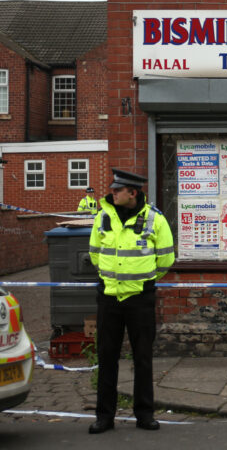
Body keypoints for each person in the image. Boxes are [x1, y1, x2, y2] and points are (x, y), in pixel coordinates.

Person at [87, 168, 175, 434]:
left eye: (118, 190)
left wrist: (143, 281)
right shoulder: (103, 217)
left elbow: (166, 259)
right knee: (107, 357)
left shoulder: (154, 219)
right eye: (113, 189)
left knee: (143, 358)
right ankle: (104, 417)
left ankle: (144, 415)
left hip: (140, 298)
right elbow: (94, 254)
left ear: (132, 193)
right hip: (110, 298)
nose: (112, 193)